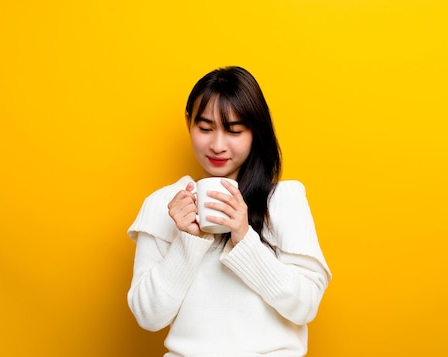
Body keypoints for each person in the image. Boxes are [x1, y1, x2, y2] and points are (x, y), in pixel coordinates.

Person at [127, 66, 331, 356]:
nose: (217, 145)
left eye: (234, 130)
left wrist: (244, 237)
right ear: (189, 123)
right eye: (205, 128)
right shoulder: (164, 206)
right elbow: (149, 317)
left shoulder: (284, 199)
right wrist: (188, 240)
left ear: (254, 132)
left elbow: (304, 306)